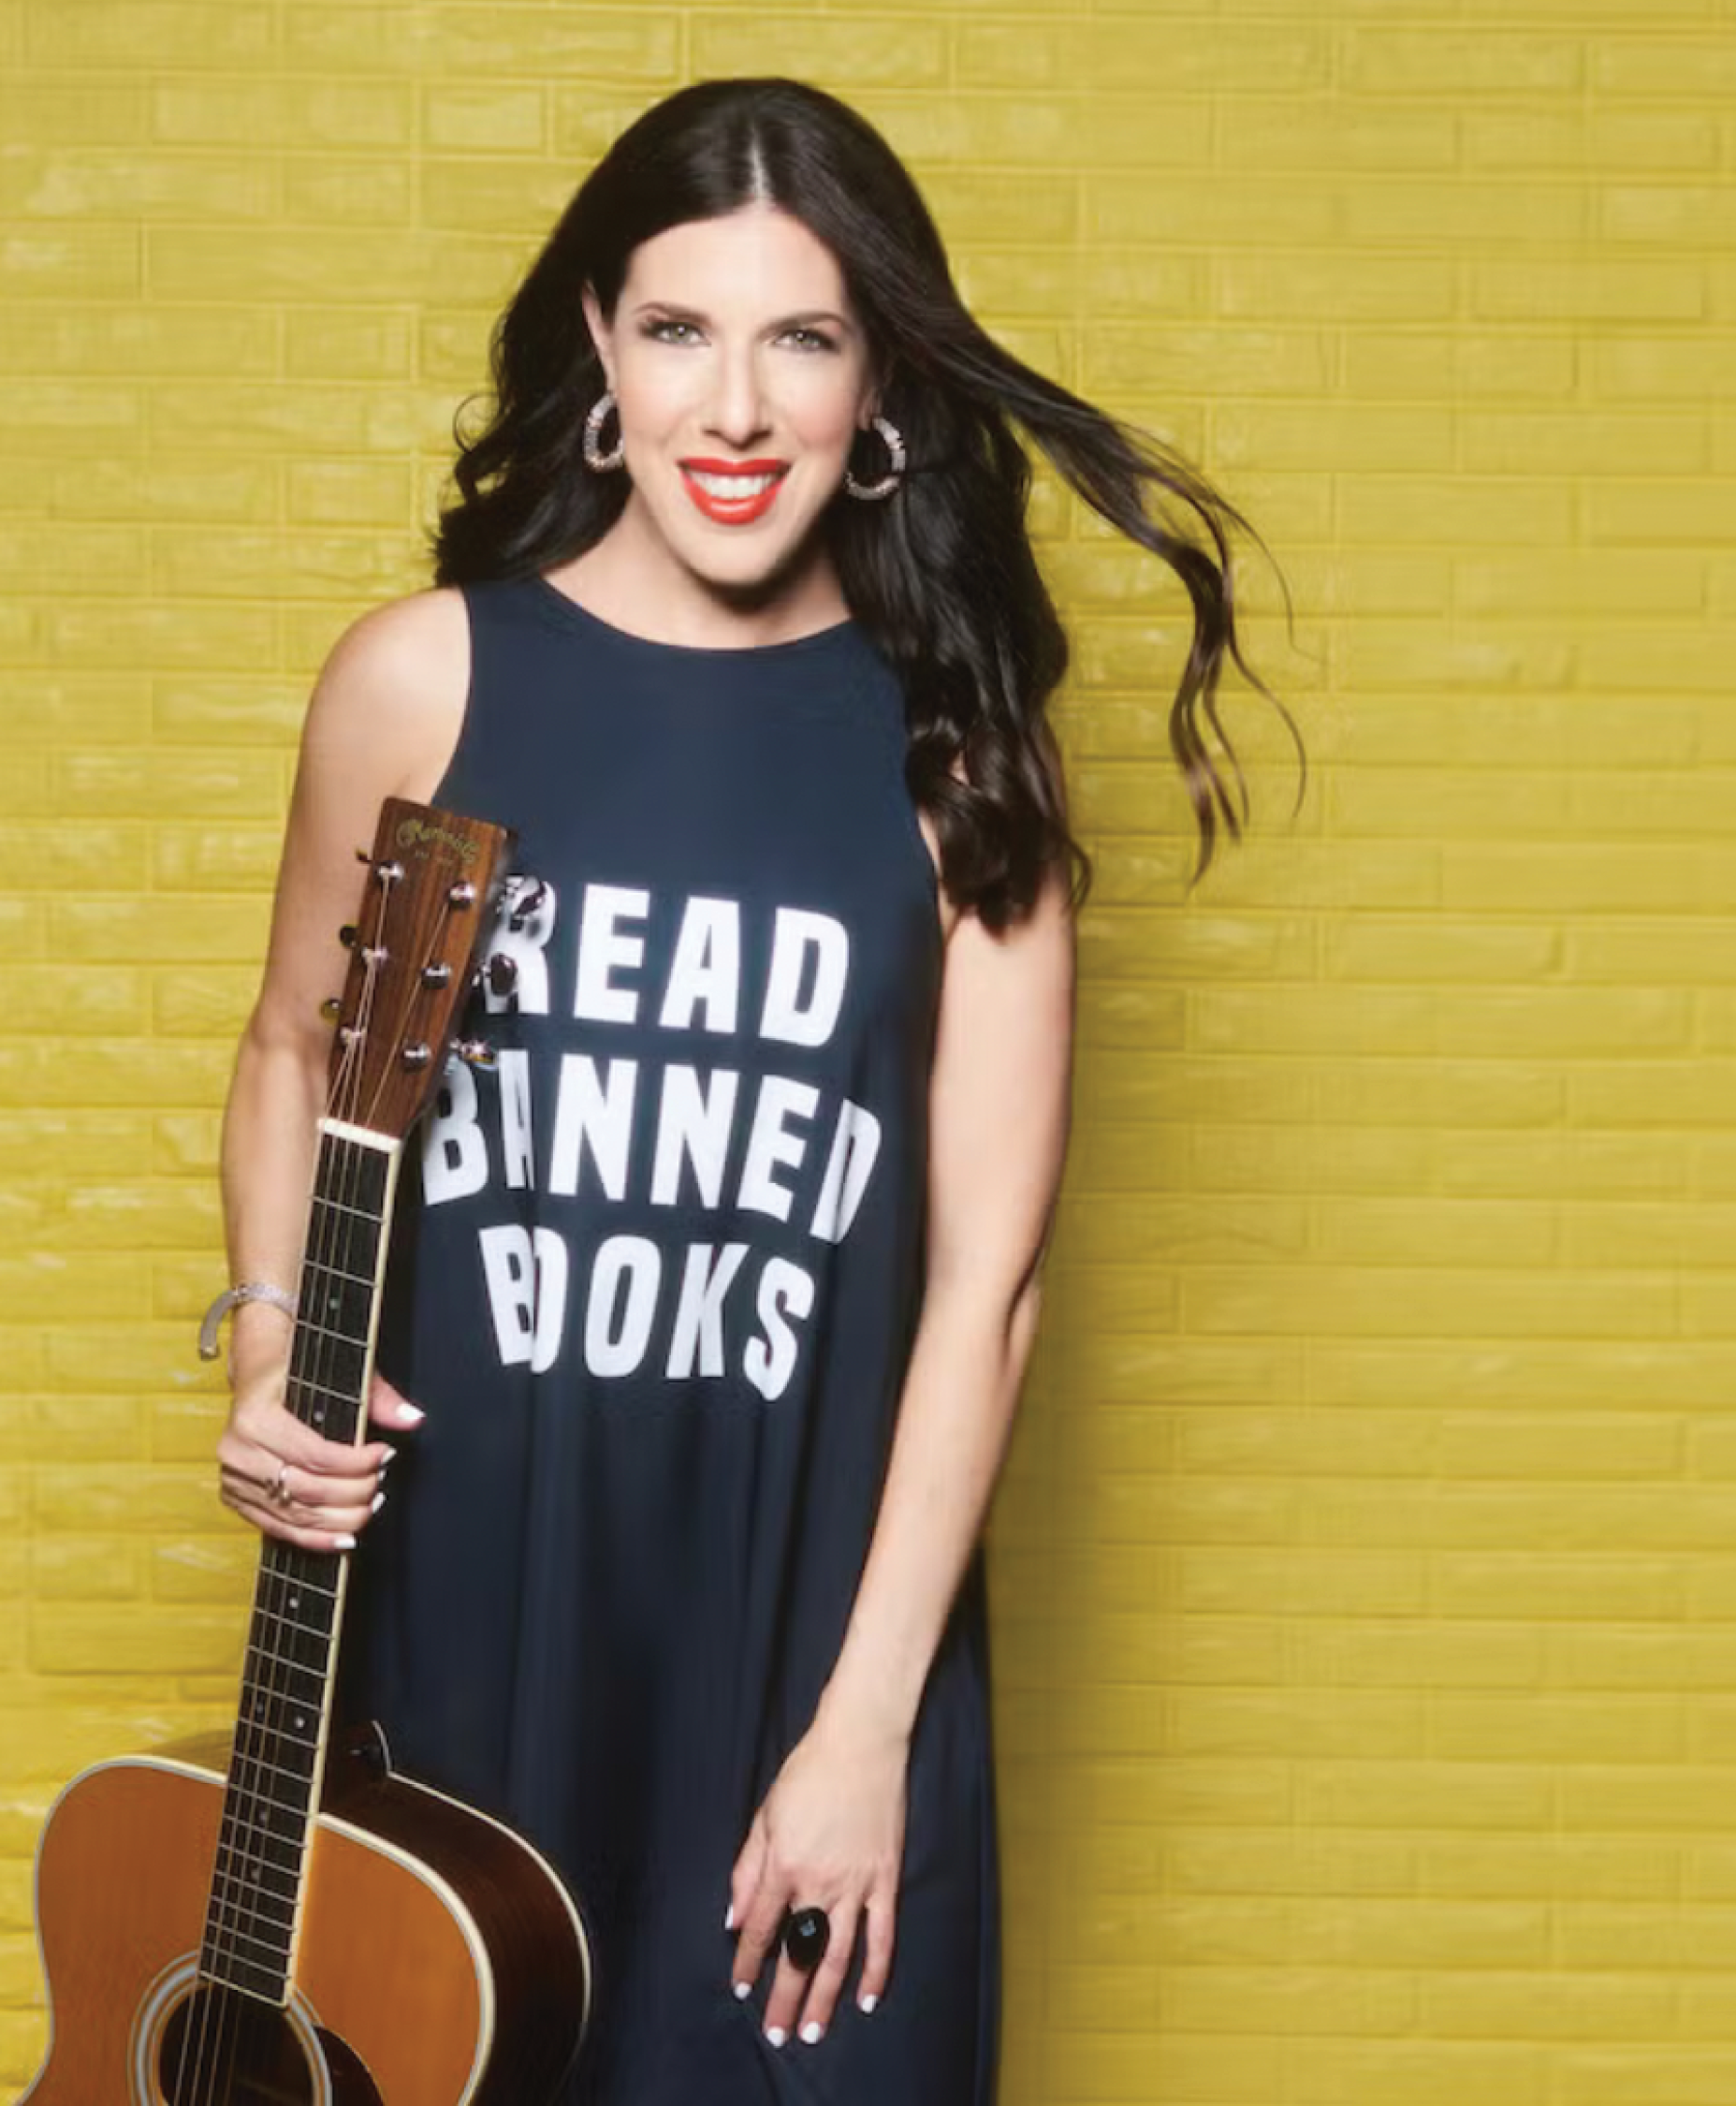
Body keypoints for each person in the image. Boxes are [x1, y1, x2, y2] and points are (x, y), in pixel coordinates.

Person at [208, 75, 1295, 2105]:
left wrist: (868, 1725)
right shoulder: (425, 683)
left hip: (814, 1666)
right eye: (681, 331)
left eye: (800, 338)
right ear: (603, 357)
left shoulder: (960, 763)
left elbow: (990, 1285)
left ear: (876, 383)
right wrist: (271, 1349)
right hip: (473, 1639)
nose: (735, 409)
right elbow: (288, 1047)